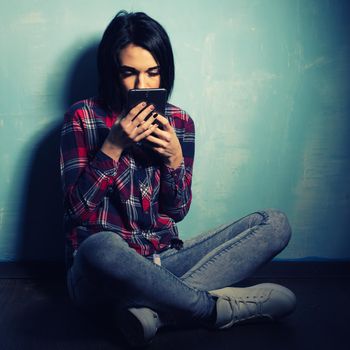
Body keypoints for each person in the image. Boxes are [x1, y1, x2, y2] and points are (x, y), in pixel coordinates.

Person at [60, 10, 296, 347]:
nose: (143, 86)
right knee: (99, 245)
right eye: (130, 73)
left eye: (153, 73)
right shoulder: (82, 117)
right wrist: (113, 146)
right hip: (99, 275)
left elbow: (177, 212)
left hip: (164, 262)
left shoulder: (180, 123)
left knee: (274, 224)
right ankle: (212, 310)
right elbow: (74, 215)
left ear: (164, 73)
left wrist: (174, 160)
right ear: (113, 73)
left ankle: (153, 313)